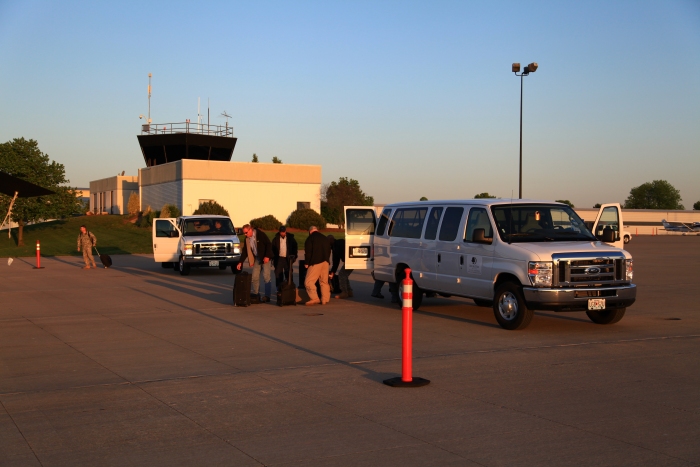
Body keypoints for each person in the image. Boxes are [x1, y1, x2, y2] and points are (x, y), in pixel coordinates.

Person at [237, 223, 274, 302]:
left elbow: (269, 244)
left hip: (265, 257)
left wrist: (267, 256)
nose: (245, 234)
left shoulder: (260, 234)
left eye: (246, 232)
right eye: (244, 233)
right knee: (254, 277)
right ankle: (256, 294)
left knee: (266, 276)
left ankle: (267, 296)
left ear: (250, 230)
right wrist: (240, 262)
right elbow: (245, 251)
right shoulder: (247, 239)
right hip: (258, 258)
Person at [303, 226, 331, 305]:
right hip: (326, 262)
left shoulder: (310, 238)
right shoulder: (325, 238)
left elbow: (308, 252)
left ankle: (314, 298)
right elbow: (329, 251)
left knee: (308, 282)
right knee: (324, 281)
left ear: (310, 231)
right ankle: (325, 299)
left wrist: (307, 263)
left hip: (315, 262)